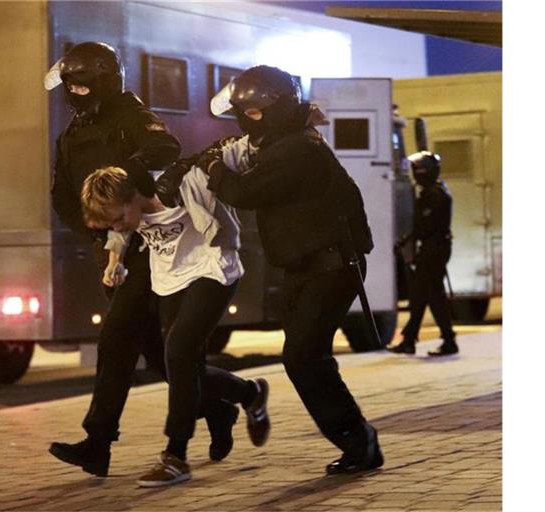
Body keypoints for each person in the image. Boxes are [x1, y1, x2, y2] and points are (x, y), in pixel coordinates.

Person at [43, 41, 242, 477]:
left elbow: (164, 149)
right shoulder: (72, 135)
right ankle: (221, 406)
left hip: (149, 247)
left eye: (83, 85)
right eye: (70, 86)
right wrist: (100, 232)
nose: (75, 92)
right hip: (114, 248)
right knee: (159, 358)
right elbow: (61, 196)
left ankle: (100, 442)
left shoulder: (131, 116)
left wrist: (126, 194)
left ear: (104, 82)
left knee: (117, 341)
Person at [191, 65, 384, 475]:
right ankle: (357, 440)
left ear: (275, 107)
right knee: (304, 357)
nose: (247, 120)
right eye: (244, 113)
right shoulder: (287, 142)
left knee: (302, 357)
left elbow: (246, 192)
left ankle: (359, 442)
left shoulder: (297, 149)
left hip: (328, 266)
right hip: (308, 266)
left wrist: (214, 170)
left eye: (255, 112)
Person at [81, 166, 270, 487]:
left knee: (179, 350)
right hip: (170, 280)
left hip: (212, 271)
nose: (118, 226)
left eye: (118, 217)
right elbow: (119, 233)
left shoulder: (181, 186)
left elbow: (231, 160)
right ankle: (249, 393)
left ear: (133, 196)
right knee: (183, 367)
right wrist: (115, 263)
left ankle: (175, 455)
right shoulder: (128, 213)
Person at [388, 151, 458, 356]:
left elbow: (425, 226)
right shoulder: (438, 191)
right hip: (435, 248)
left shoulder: (432, 195)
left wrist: (406, 241)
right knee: (420, 296)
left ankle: (448, 340)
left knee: (433, 296)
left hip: (432, 250)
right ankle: (410, 340)